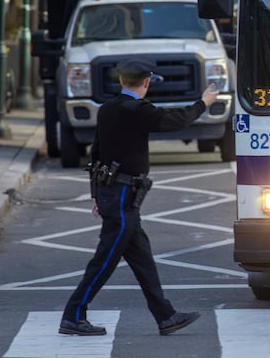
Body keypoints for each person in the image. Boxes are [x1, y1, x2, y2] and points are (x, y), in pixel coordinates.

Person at [59, 58, 219, 337]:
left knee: (142, 259)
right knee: (104, 260)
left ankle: (165, 316)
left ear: (121, 81)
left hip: (118, 196)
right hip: (122, 196)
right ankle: (73, 315)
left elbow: (96, 154)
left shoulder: (108, 108)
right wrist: (203, 102)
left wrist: (96, 194)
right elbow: (176, 121)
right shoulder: (138, 110)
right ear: (146, 83)